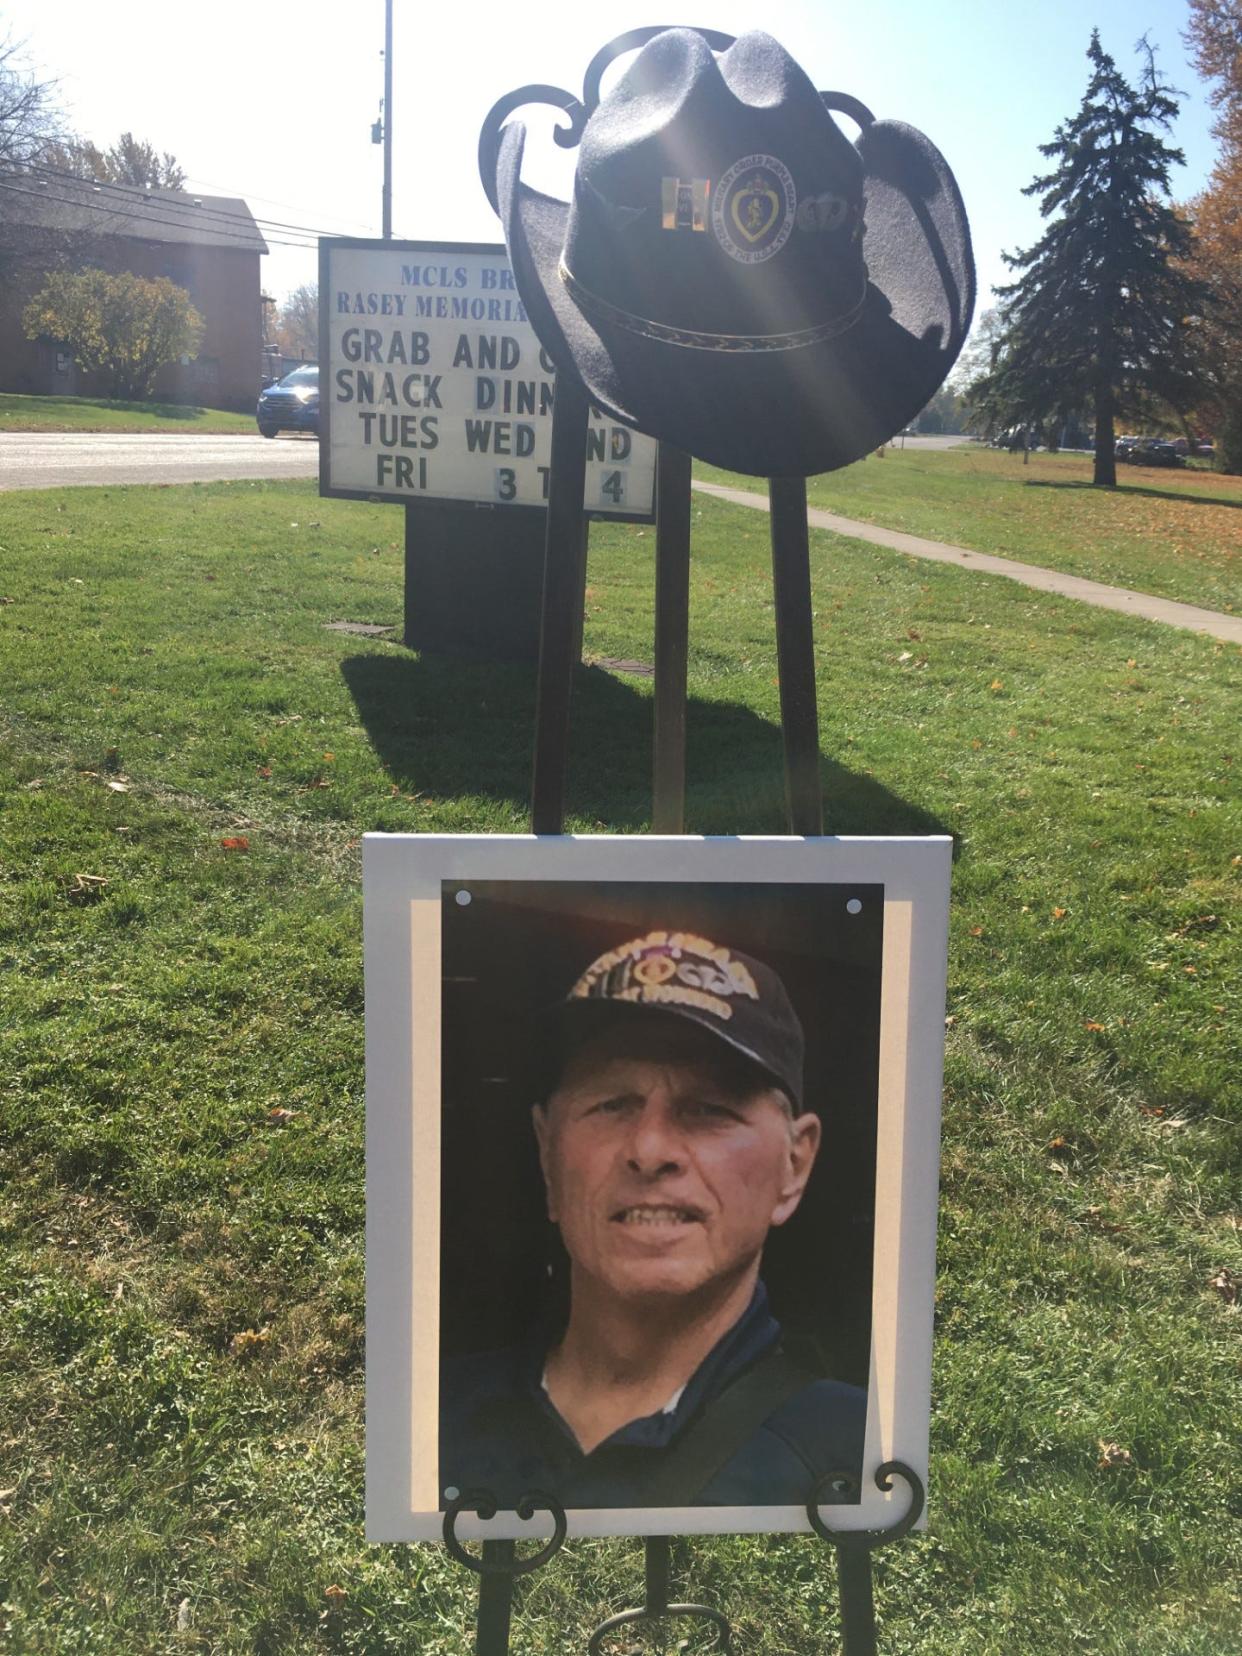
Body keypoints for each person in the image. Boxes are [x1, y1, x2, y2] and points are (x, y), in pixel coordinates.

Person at [440, 928, 866, 1511]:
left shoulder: (857, 1453)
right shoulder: (432, 1419)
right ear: (547, 1154)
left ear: (794, 1164)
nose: (649, 1148)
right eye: (611, 1104)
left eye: (709, 1109)